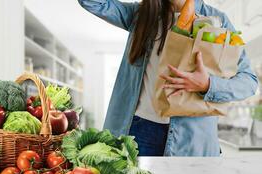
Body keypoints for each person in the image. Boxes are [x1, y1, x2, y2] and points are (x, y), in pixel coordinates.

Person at [77, 0, 258, 156]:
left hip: (192, 138)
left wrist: (208, 85)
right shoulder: (141, 15)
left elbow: (249, 81)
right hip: (138, 131)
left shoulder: (218, 21)